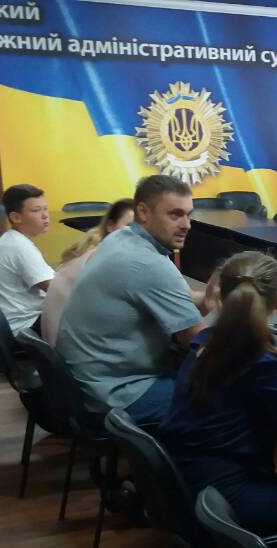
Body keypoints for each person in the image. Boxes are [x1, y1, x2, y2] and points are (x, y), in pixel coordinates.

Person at [159, 252, 277, 536]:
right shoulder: (259, 362)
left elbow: (243, 407)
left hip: (189, 482)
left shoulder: (206, 341)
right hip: (224, 499)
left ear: (220, 294)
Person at [57, 175, 213, 424]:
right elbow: (199, 340)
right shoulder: (146, 262)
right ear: (143, 212)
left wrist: (210, 298)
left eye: (188, 215)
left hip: (85, 382)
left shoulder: (121, 239)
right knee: (226, 400)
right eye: (175, 215)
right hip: (115, 394)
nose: (187, 225)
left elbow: (183, 299)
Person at [42, 199, 134, 347]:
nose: (138, 234)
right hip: (69, 349)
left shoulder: (90, 248)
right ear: (110, 225)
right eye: (130, 226)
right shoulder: (105, 258)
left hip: (55, 345)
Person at [0, 184, 54, 335]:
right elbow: (55, 289)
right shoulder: (20, 247)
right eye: (36, 210)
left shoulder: (12, 240)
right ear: (15, 217)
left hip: (11, 321)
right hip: (23, 327)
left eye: (45, 209)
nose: (45, 215)